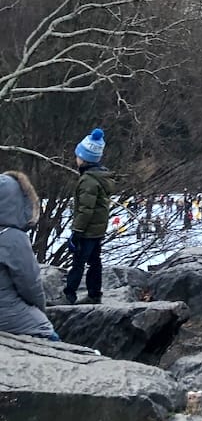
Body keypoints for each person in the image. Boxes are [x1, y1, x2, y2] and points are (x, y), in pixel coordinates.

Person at [0, 171, 59, 340]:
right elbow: (30, 285)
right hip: (7, 315)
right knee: (48, 332)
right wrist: (40, 311)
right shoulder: (13, 238)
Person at [64, 127, 114, 305]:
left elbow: (86, 209)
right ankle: (94, 293)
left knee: (78, 262)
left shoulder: (88, 181)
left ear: (84, 158)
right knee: (95, 261)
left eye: (77, 155)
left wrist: (77, 231)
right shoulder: (100, 177)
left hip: (87, 231)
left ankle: (69, 294)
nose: (75, 159)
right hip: (97, 229)